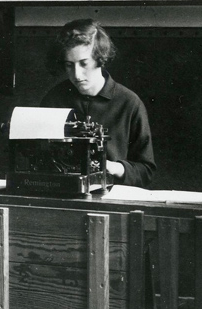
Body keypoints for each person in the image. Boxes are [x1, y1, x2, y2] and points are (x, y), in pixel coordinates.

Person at [39, 18, 155, 188]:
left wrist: (113, 167)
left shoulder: (130, 103)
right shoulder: (53, 99)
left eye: (84, 63)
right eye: (69, 65)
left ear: (100, 58)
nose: (77, 75)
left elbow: (146, 172)